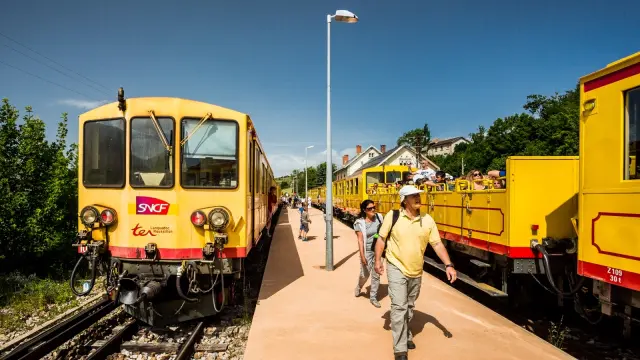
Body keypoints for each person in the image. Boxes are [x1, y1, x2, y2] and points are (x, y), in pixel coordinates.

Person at [374, 185, 457, 360]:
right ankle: (400, 349)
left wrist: (448, 265)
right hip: (395, 265)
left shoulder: (427, 220)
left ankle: (406, 334)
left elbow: (437, 244)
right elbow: (381, 239)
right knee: (399, 306)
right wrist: (377, 260)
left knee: (409, 306)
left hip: (416, 270)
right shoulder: (393, 216)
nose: (418, 198)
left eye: (419, 195)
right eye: (413, 196)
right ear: (404, 200)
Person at [353, 200, 383, 308]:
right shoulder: (359, 223)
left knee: (376, 274)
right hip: (367, 251)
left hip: (378, 250)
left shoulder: (379, 217)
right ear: (364, 210)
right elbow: (360, 240)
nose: (373, 210)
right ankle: (359, 286)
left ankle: (373, 297)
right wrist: (362, 255)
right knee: (365, 274)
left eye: (374, 207)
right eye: (370, 208)